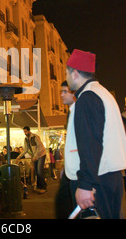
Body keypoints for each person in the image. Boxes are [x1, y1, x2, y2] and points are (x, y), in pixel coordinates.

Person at [64, 49, 126, 219]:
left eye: (66, 73)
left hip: (97, 181)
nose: (65, 78)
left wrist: (86, 184)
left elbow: (90, 142)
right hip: (108, 177)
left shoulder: (87, 98)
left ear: (75, 74)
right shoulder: (103, 93)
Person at [55, 80, 75, 218]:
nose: (61, 95)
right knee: (63, 204)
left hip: (78, 169)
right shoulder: (71, 112)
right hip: (71, 167)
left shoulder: (78, 111)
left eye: (65, 91)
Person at [16, 126, 47, 194]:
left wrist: (35, 156)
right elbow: (26, 149)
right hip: (35, 156)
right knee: (36, 171)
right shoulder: (26, 139)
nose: (25, 133)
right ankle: (39, 186)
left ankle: (43, 187)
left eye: (26, 131)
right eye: (24, 131)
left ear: (29, 131)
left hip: (41, 154)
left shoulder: (34, 137)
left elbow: (40, 147)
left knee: (39, 171)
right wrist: (19, 157)